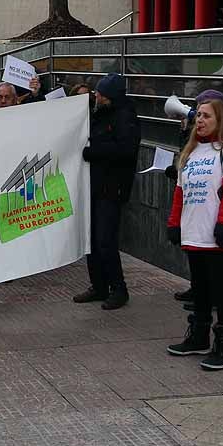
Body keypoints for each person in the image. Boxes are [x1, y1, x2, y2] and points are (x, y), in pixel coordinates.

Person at [166, 93, 223, 370]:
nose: (199, 120)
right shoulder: (190, 152)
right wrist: (174, 223)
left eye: (206, 116)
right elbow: (180, 192)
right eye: (198, 115)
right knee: (199, 290)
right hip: (194, 234)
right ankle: (198, 338)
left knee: (220, 292)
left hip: (217, 237)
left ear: (220, 119)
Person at [76, 73, 140, 310]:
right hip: (96, 185)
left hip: (112, 188)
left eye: (100, 93)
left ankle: (118, 288)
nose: (96, 96)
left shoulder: (125, 117)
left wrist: (94, 152)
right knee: (92, 239)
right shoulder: (102, 114)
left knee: (105, 240)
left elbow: (125, 149)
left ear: (109, 96)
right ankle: (99, 285)